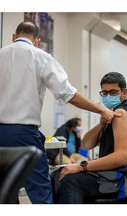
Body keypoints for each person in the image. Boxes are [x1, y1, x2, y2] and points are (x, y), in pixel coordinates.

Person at [0, 22, 118, 204]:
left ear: (14, 37)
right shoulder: (40, 56)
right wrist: (102, 109)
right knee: (40, 191)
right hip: (23, 133)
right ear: (37, 41)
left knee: (5, 190)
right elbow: (68, 94)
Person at [58, 72, 127, 204]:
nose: (108, 96)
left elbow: (122, 157)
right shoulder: (113, 115)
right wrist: (101, 124)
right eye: (105, 93)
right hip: (119, 176)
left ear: (124, 92)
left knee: (70, 180)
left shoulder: (121, 114)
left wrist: (81, 167)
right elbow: (86, 145)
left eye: (113, 92)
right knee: (57, 176)